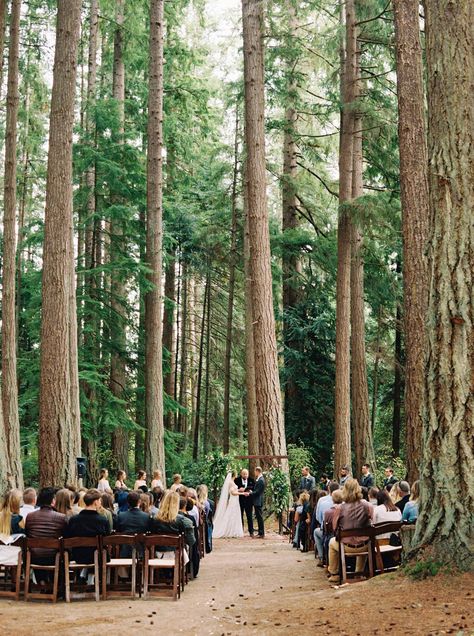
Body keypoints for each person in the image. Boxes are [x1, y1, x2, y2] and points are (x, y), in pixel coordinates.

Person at [327, 478, 374, 583]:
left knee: (331, 543)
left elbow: (335, 527)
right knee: (364, 538)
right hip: (365, 545)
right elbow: (372, 521)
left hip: (346, 547)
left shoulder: (340, 508)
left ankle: (334, 573)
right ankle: (359, 572)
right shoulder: (368, 506)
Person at [65, 489, 110, 570]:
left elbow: (68, 537)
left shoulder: (74, 520)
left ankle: (85, 575)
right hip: (98, 557)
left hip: (78, 556)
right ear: (95, 502)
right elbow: (107, 538)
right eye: (100, 500)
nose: (100, 502)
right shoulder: (103, 520)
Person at [25, 488, 67, 566]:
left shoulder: (30, 516)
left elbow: (27, 534)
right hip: (54, 557)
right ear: (53, 501)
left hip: (34, 556)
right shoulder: (61, 517)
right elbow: (65, 536)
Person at [313, 482, 339, 564]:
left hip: (328, 532)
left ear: (328, 489)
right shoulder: (344, 502)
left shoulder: (322, 500)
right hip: (341, 533)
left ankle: (321, 557)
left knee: (316, 532)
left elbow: (318, 518)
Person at [213, 471, 244, 538]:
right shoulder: (230, 482)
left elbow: (234, 490)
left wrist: (239, 490)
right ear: (234, 475)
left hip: (235, 500)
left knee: (235, 514)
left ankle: (233, 530)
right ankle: (228, 530)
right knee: (231, 514)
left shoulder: (232, 482)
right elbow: (232, 493)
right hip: (233, 500)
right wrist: (242, 493)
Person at [234, 468, 255, 536]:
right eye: (244, 474)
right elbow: (233, 489)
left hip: (249, 501)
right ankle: (241, 531)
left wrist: (249, 490)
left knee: (249, 516)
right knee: (240, 516)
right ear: (241, 474)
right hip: (240, 501)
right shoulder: (236, 480)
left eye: (246, 474)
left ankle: (251, 532)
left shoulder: (251, 480)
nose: (245, 475)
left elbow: (254, 488)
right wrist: (239, 490)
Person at [252, 466, 265, 538]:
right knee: (258, 517)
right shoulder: (259, 479)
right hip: (257, 500)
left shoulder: (261, 480)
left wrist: (250, 493)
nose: (254, 473)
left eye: (255, 471)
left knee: (259, 517)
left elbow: (257, 492)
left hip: (258, 501)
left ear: (258, 471)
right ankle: (260, 532)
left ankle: (262, 533)